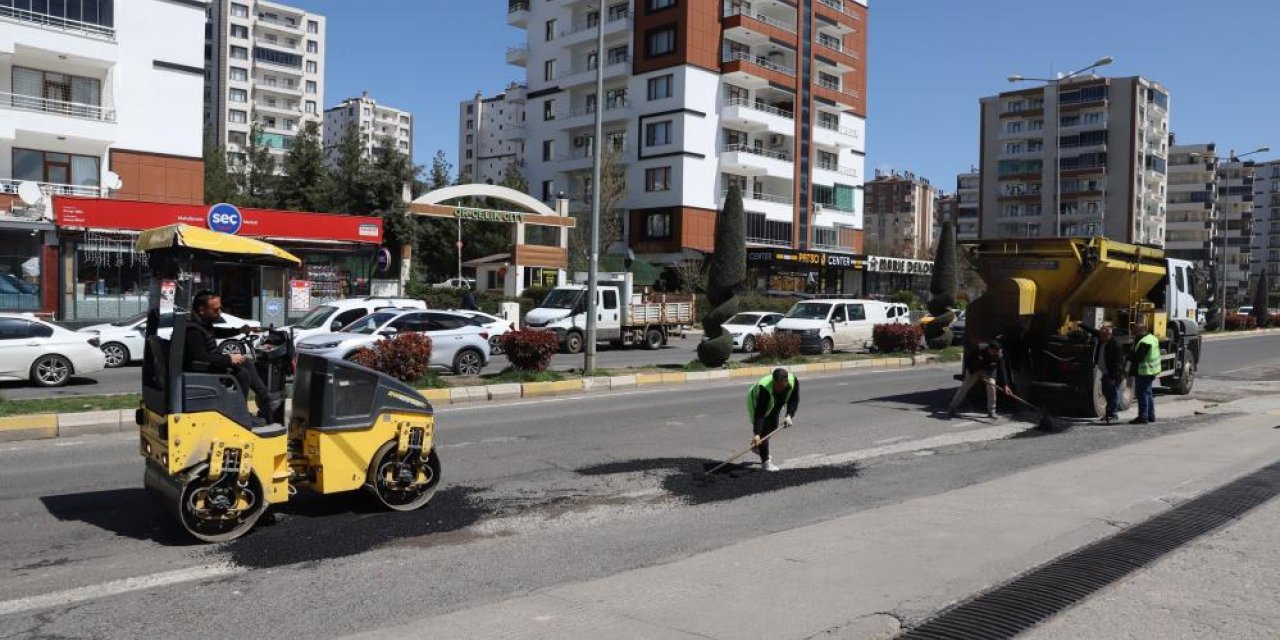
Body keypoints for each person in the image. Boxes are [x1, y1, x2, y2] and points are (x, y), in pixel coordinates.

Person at [182, 290, 278, 422]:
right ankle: (240, 413)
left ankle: (264, 398)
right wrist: (229, 359)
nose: (219, 312)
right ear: (201, 310)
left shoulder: (203, 324)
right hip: (201, 370)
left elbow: (216, 332)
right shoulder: (193, 330)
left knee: (245, 361)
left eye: (220, 308)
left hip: (208, 365)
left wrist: (240, 330)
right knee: (242, 374)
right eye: (215, 310)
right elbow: (201, 357)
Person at [746, 368, 800, 472]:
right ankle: (766, 462)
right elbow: (760, 414)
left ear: (786, 381)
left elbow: (794, 399)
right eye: (776, 385)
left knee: (772, 427)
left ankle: (758, 447)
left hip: (776, 402)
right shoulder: (765, 388)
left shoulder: (793, 382)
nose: (779, 388)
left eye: (781, 385)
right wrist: (757, 433)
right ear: (773, 381)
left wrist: (789, 415)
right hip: (756, 401)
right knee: (763, 431)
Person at [948, 338, 1011, 419]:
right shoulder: (979, 349)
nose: (995, 353)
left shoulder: (999, 354)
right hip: (974, 369)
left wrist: (1006, 385)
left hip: (988, 371)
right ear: (989, 349)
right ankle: (952, 407)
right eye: (994, 351)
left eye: (997, 352)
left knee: (992, 387)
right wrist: (975, 371)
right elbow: (968, 361)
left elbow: (1002, 370)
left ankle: (991, 411)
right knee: (965, 386)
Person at [1084, 323, 1126, 424]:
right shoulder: (1103, 339)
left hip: (1112, 374)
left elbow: (1118, 363)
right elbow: (1094, 332)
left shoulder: (1116, 345)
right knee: (1106, 392)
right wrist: (1082, 325)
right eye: (1100, 335)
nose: (1100, 337)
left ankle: (1113, 414)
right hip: (1105, 372)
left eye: (1102, 335)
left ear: (1109, 335)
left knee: (1113, 393)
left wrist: (1113, 377)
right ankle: (1109, 413)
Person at [1130, 321, 1160, 424]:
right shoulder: (1151, 338)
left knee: (1142, 393)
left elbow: (1139, 358)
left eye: (1134, 330)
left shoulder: (1145, 342)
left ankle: (1143, 416)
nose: (1132, 331)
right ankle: (1151, 415)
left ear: (1141, 330)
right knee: (1148, 393)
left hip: (1145, 371)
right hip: (1151, 370)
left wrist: (1129, 358)